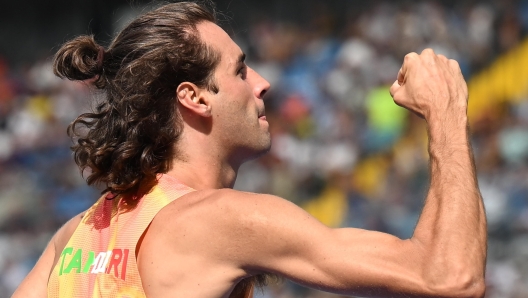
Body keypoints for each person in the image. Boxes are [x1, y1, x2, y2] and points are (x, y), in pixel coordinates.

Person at [13, 2, 487, 298]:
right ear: (194, 98)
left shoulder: (74, 236)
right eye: (240, 71)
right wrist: (447, 113)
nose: (263, 84)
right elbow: (448, 278)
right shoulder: (223, 220)